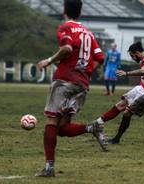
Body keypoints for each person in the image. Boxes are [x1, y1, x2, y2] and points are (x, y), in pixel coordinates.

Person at [35, 0, 107, 177]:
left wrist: (49, 61)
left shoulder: (65, 27)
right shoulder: (88, 33)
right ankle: (92, 128)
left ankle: (49, 168)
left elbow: (67, 48)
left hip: (64, 80)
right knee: (62, 128)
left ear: (64, 11)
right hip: (82, 84)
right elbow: (100, 57)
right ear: (80, 13)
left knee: (51, 122)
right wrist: (87, 72)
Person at [91, 42, 144, 144]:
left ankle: (116, 139)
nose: (132, 58)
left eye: (132, 56)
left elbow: (143, 71)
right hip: (142, 88)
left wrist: (126, 73)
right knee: (120, 105)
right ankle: (98, 122)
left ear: (138, 53)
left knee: (127, 113)